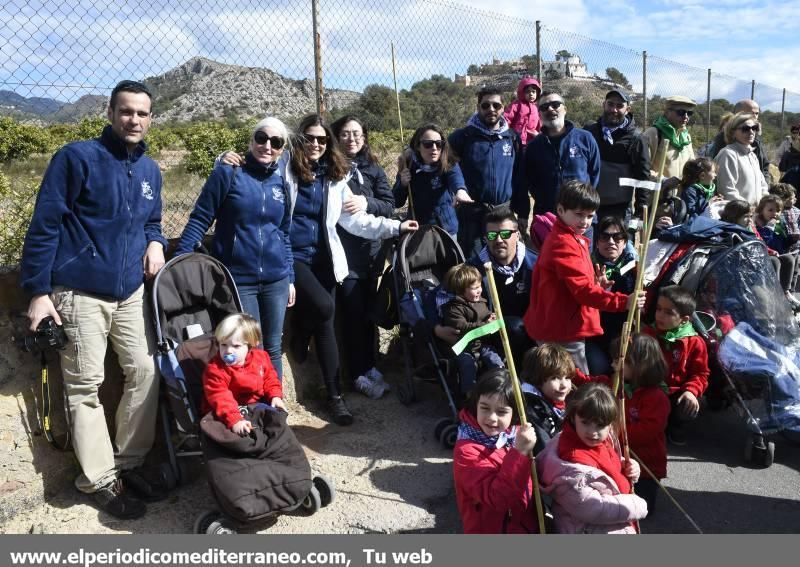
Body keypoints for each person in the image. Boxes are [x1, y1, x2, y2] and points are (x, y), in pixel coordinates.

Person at [19, 80, 168, 519]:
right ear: (109, 112)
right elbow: (45, 225)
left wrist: (156, 241)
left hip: (129, 291)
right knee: (84, 386)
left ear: (150, 118)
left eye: (142, 113)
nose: (133, 120)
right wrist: (38, 292)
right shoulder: (76, 158)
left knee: (145, 370)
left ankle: (128, 464)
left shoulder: (151, 171)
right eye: (126, 111)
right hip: (79, 291)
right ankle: (98, 479)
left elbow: (154, 220)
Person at [285, 114, 418, 425]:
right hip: (294, 255)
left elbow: (358, 221)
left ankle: (335, 397)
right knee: (326, 306)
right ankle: (302, 332)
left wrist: (396, 227)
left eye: (321, 139)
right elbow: (262, 159)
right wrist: (229, 160)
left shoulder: (335, 178)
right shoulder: (287, 171)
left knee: (329, 319)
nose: (315, 144)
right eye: (309, 139)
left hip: (330, 257)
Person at [176, 117, 294, 379]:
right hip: (238, 279)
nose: (267, 146)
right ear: (251, 140)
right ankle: (248, 407)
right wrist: (179, 258)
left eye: (275, 142)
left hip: (276, 279)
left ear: (282, 150)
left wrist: (291, 278)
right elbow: (200, 218)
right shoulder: (228, 174)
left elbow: (283, 234)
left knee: (273, 347)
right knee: (249, 347)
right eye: (261, 138)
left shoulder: (280, 185)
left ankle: (273, 408)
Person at [523, 181, 645, 374]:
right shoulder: (563, 244)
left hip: (561, 322)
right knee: (572, 380)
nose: (585, 221)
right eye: (579, 214)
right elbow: (582, 292)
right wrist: (624, 302)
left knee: (560, 376)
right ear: (561, 210)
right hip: (562, 329)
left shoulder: (571, 237)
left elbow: (574, 283)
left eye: (589, 216)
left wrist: (596, 285)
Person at [330, 115, 395, 400]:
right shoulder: (330, 169)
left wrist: (366, 202)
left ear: (364, 136)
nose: (352, 139)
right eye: (345, 134)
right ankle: (356, 372)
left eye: (357, 133)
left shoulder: (373, 169)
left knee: (369, 312)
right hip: (344, 256)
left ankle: (371, 365)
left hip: (372, 254)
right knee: (352, 315)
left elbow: (390, 205)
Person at [536, 382, 648, 534]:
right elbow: (593, 508)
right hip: (587, 529)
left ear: (610, 424)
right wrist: (636, 505)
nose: (592, 432)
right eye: (585, 423)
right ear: (573, 417)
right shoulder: (573, 464)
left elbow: (607, 465)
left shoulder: (602, 440)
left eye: (600, 425)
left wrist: (627, 466)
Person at [452, 369, 539, 534]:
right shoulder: (467, 452)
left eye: (501, 412)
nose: (492, 418)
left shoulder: (516, 433)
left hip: (522, 523)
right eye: (485, 408)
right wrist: (519, 452)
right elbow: (497, 499)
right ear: (475, 405)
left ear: (515, 412)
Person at [448, 85, 526, 257]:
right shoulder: (463, 137)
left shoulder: (513, 138)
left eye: (496, 105)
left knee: (505, 261)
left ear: (503, 108)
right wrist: (410, 151)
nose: (491, 109)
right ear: (478, 108)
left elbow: (520, 179)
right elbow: (443, 158)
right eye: (485, 105)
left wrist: (523, 214)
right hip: (473, 216)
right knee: (475, 267)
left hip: (503, 214)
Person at [467, 206, 537, 364]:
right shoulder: (474, 268)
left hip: (535, 331)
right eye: (492, 235)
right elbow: (443, 294)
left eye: (505, 234)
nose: (498, 240)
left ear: (518, 234)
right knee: (515, 326)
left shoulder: (536, 264)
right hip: (492, 333)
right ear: (485, 238)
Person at [643, 285, 710, 446]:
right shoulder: (648, 334)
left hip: (677, 392)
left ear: (684, 319)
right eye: (658, 309)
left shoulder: (694, 342)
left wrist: (691, 391)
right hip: (651, 388)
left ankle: (676, 425)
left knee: (688, 404)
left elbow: (701, 374)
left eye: (668, 313)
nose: (660, 315)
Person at [518, 91, 601, 220]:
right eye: (544, 107)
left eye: (555, 105)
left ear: (565, 109)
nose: (550, 109)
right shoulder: (533, 146)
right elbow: (528, 181)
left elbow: (594, 173)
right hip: (547, 216)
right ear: (539, 114)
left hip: (581, 216)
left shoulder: (585, 138)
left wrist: (584, 200)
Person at [202, 313, 286, 436]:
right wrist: (235, 420)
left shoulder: (261, 357)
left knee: (278, 425)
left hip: (255, 405)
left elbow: (270, 378)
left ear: (251, 345)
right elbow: (220, 397)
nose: (228, 351)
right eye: (223, 345)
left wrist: (275, 396)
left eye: (236, 346)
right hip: (227, 412)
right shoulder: (215, 369)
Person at [618, 334, 671, 514]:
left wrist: (617, 433)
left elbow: (646, 432)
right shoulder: (622, 386)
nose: (617, 365)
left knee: (643, 509)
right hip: (626, 461)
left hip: (647, 465)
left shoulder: (657, 398)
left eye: (622, 362)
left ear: (638, 366)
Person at [583, 89, 651, 222]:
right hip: (589, 207)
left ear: (627, 109)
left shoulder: (636, 138)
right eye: (610, 104)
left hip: (620, 211)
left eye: (619, 106)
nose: (614, 109)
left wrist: (640, 213)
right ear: (604, 105)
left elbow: (643, 176)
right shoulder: (589, 132)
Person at [441, 263, 504, 395]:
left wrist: (491, 317)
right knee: (468, 364)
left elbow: (485, 315)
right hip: (464, 347)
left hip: (482, 344)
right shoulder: (453, 308)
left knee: (494, 358)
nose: (479, 291)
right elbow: (461, 326)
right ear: (460, 290)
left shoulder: (481, 301)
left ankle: (502, 382)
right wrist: (484, 324)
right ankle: (469, 393)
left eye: (479, 286)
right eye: (474, 288)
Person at [586, 216, 638, 374]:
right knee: (601, 369)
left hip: (624, 336)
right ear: (597, 241)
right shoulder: (587, 266)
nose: (611, 242)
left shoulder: (635, 268)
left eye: (617, 237)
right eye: (605, 237)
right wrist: (598, 292)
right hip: (595, 336)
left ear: (624, 242)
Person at [394, 123, 465, 238]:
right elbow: (397, 202)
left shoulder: (448, 163)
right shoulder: (407, 165)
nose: (434, 148)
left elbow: (456, 178)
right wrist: (402, 184)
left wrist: (460, 190)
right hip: (418, 230)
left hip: (447, 229)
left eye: (438, 144)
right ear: (418, 146)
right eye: (428, 144)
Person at [520, 344, 573, 455]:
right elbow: (545, 449)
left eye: (567, 378)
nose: (564, 385)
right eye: (555, 378)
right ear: (537, 379)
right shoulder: (533, 409)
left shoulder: (570, 398)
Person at [715, 112, 769, 206]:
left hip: (755, 216)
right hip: (737, 216)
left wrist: (765, 206)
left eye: (754, 128)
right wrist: (748, 209)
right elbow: (726, 191)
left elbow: (763, 186)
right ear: (732, 133)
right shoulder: (727, 154)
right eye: (745, 129)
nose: (751, 131)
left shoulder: (752, 155)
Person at [754, 194, 800, 304]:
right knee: (775, 262)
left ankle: (786, 291)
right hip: (764, 254)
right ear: (761, 210)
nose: (775, 214)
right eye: (770, 210)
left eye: (778, 210)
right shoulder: (758, 225)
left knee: (789, 259)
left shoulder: (779, 223)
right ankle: (775, 293)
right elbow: (763, 242)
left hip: (778, 253)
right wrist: (769, 228)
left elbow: (781, 241)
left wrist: (792, 239)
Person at [709, 99, 770, 181]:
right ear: (738, 114)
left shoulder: (755, 136)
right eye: (751, 113)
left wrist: (765, 186)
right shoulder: (724, 139)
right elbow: (719, 172)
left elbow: (764, 166)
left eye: (757, 113)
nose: (755, 116)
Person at [642, 95, 696, 181]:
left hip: (681, 193)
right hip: (658, 192)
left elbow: (692, 165)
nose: (686, 117)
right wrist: (663, 181)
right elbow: (642, 168)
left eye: (689, 113)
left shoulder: (686, 137)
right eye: (681, 112)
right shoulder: (653, 134)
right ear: (667, 112)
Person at [504, 76, 541, 145]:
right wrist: (507, 132)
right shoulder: (517, 105)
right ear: (522, 93)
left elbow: (539, 123)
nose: (531, 94)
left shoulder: (536, 108)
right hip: (517, 139)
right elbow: (507, 118)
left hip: (532, 140)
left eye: (533, 92)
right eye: (528, 92)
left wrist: (539, 134)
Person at [680, 157, 720, 222]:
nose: (715, 175)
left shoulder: (708, 189)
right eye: (713, 172)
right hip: (694, 225)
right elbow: (691, 211)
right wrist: (708, 204)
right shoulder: (690, 191)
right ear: (702, 176)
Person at [769, 182, 800, 254]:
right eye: (792, 198)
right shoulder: (774, 213)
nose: (796, 199)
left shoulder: (797, 211)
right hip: (780, 246)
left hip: (796, 245)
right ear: (783, 200)